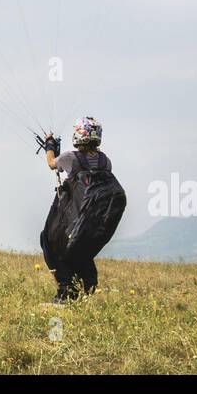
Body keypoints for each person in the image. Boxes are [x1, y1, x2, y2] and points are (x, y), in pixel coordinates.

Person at [38, 116, 123, 303]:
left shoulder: (70, 158)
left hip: (72, 215)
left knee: (49, 241)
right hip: (93, 221)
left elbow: (52, 164)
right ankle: (84, 288)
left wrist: (50, 146)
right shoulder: (105, 161)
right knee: (81, 250)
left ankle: (65, 293)